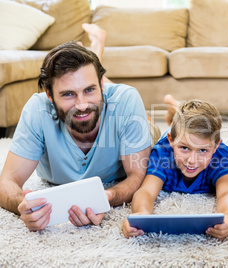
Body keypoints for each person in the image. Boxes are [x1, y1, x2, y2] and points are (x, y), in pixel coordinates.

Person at [0, 24, 155, 231]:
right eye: (68, 94)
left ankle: (97, 56)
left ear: (101, 85)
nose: (81, 104)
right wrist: (23, 205)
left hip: (139, 123)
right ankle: (95, 58)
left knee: (159, 126)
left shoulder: (126, 99)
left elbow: (137, 175)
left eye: (90, 89)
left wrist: (106, 197)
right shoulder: (37, 109)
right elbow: (6, 181)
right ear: (49, 95)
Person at [122, 99, 228, 240]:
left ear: (216, 147)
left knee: (183, 127)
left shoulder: (222, 156)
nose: (192, 160)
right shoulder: (162, 152)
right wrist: (141, 214)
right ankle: (173, 108)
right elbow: (146, 191)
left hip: (183, 135)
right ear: (170, 140)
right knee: (150, 129)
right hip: (168, 136)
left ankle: (175, 105)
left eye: (203, 150)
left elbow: (227, 192)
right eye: (184, 148)